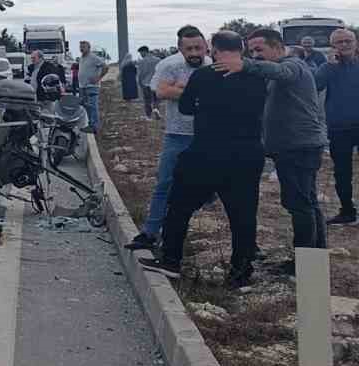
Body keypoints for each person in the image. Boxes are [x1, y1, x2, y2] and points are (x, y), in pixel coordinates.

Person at [141, 32, 266, 287]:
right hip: (246, 155)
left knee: (179, 208)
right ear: (241, 49)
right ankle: (240, 273)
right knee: (243, 216)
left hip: (205, 153)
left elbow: (186, 107)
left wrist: (206, 106)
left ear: (214, 49)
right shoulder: (257, 75)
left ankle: (171, 261)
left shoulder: (204, 75)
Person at [230, 27, 329, 263]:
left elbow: (282, 72)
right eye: (251, 51)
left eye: (258, 49)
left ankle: (305, 264)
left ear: (277, 47)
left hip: (298, 148)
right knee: (308, 202)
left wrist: (244, 64)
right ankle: (314, 259)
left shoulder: (293, 65)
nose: (254, 55)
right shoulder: (276, 73)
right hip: (295, 147)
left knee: (299, 205)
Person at [126, 27, 209, 251]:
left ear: (205, 47)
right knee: (165, 183)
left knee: (216, 187)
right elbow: (161, 92)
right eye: (189, 48)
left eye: (198, 48)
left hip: (208, 136)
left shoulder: (212, 64)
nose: (194, 52)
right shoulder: (169, 65)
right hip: (177, 135)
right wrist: (194, 91)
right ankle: (150, 232)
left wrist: (181, 88)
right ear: (180, 49)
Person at [319, 29, 359, 224]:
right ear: (333, 46)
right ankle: (347, 211)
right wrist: (328, 65)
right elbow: (315, 86)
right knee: (342, 172)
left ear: (356, 43)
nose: (344, 45)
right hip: (339, 128)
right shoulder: (328, 67)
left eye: (348, 41)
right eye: (339, 42)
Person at [76, 40, 110, 134]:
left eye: (83, 46)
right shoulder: (82, 58)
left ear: (89, 47)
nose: (81, 48)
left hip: (91, 87)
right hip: (83, 86)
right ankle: (91, 124)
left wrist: (98, 78)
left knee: (92, 106)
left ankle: (95, 127)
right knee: (85, 105)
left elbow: (105, 67)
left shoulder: (93, 57)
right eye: (80, 47)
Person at [138, 46, 162, 120]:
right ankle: (156, 110)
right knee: (156, 99)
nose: (140, 55)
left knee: (147, 101)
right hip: (156, 83)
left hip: (146, 83)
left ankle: (148, 116)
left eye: (141, 53)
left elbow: (140, 74)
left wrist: (140, 83)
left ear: (144, 51)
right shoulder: (158, 60)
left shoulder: (142, 61)